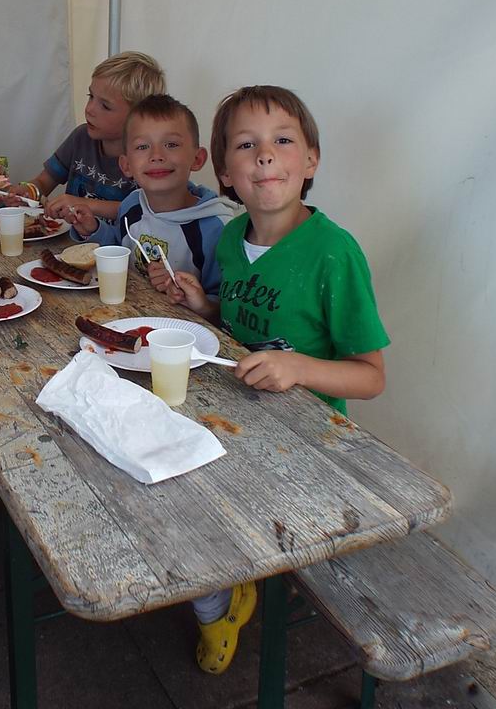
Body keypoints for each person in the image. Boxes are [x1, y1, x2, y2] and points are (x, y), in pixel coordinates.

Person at [152, 85, 389, 674]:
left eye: (282, 140)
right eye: (246, 145)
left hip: (307, 445)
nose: (264, 155)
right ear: (225, 174)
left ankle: (218, 601)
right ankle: (219, 591)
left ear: (310, 160)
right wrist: (204, 307)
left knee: (187, 497)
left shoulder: (334, 253)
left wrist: (298, 367)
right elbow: (239, 326)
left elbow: (371, 377)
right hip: (237, 414)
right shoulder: (234, 239)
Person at [66, 93, 236, 296]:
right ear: (126, 165)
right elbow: (120, 248)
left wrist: (188, 294)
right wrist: (93, 229)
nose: (156, 156)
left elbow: (226, 304)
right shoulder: (132, 204)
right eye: (142, 147)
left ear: (197, 159)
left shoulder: (217, 229)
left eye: (171, 144)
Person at [8, 51, 165, 222]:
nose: (90, 109)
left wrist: (85, 204)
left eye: (105, 106)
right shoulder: (81, 138)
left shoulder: (150, 157)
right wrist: (28, 192)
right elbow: (44, 181)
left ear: (138, 117)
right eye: (91, 97)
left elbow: (146, 209)